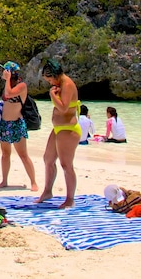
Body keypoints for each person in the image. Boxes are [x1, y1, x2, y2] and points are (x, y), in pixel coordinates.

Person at [34, 58, 80, 209]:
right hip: (58, 129)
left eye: (49, 80)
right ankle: (47, 191)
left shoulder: (67, 84)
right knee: (48, 159)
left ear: (54, 75)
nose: (50, 83)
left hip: (68, 129)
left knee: (66, 165)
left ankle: (70, 199)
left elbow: (64, 108)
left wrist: (52, 95)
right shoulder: (59, 85)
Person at [0, 61, 38, 190]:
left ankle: (33, 182)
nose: (3, 73)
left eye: (5, 71)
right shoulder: (8, 85)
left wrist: (7, 79)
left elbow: (9, 94)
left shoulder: (22, 86)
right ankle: (4, 180)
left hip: (16, 124)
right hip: (4, 124)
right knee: (5, 154)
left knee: (23, 155)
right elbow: (4, 100)